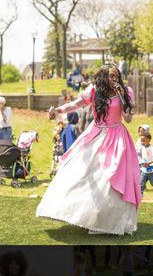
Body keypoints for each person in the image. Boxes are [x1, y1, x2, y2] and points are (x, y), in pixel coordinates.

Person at [36, 64, 142, 235]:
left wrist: (123, 98)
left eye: (116, 76)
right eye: (110, 76)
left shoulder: (126, 91)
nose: (114, 80)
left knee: (112, 179)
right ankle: (87, 217)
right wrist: (58, 110)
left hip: (117, 137)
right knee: (83, 174)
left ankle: (109, 223)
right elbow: (76, 104)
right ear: (102, 77)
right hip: (95, 135)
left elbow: (128, 119)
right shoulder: (94, 90)